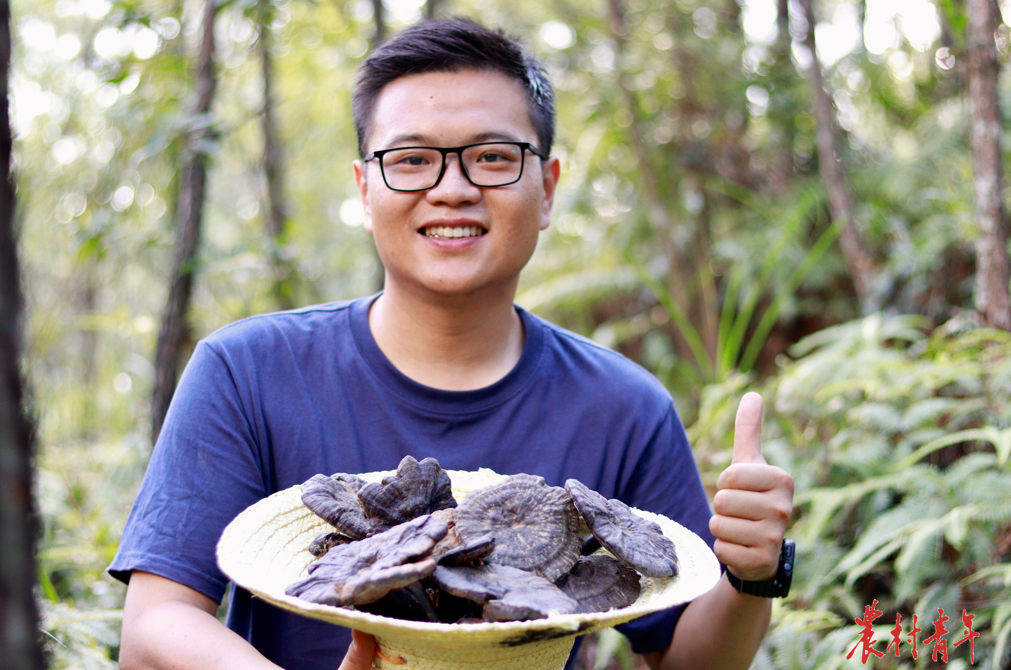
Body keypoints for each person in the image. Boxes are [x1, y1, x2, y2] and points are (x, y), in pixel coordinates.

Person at [113, 18, 794, 670]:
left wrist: (750, 571)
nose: (452, 189)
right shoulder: (247, 372)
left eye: (492, 157)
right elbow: (155, 628)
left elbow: (683, 659)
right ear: (365, 188)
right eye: (410, 160)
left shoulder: (622, 408)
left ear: (547, 190)